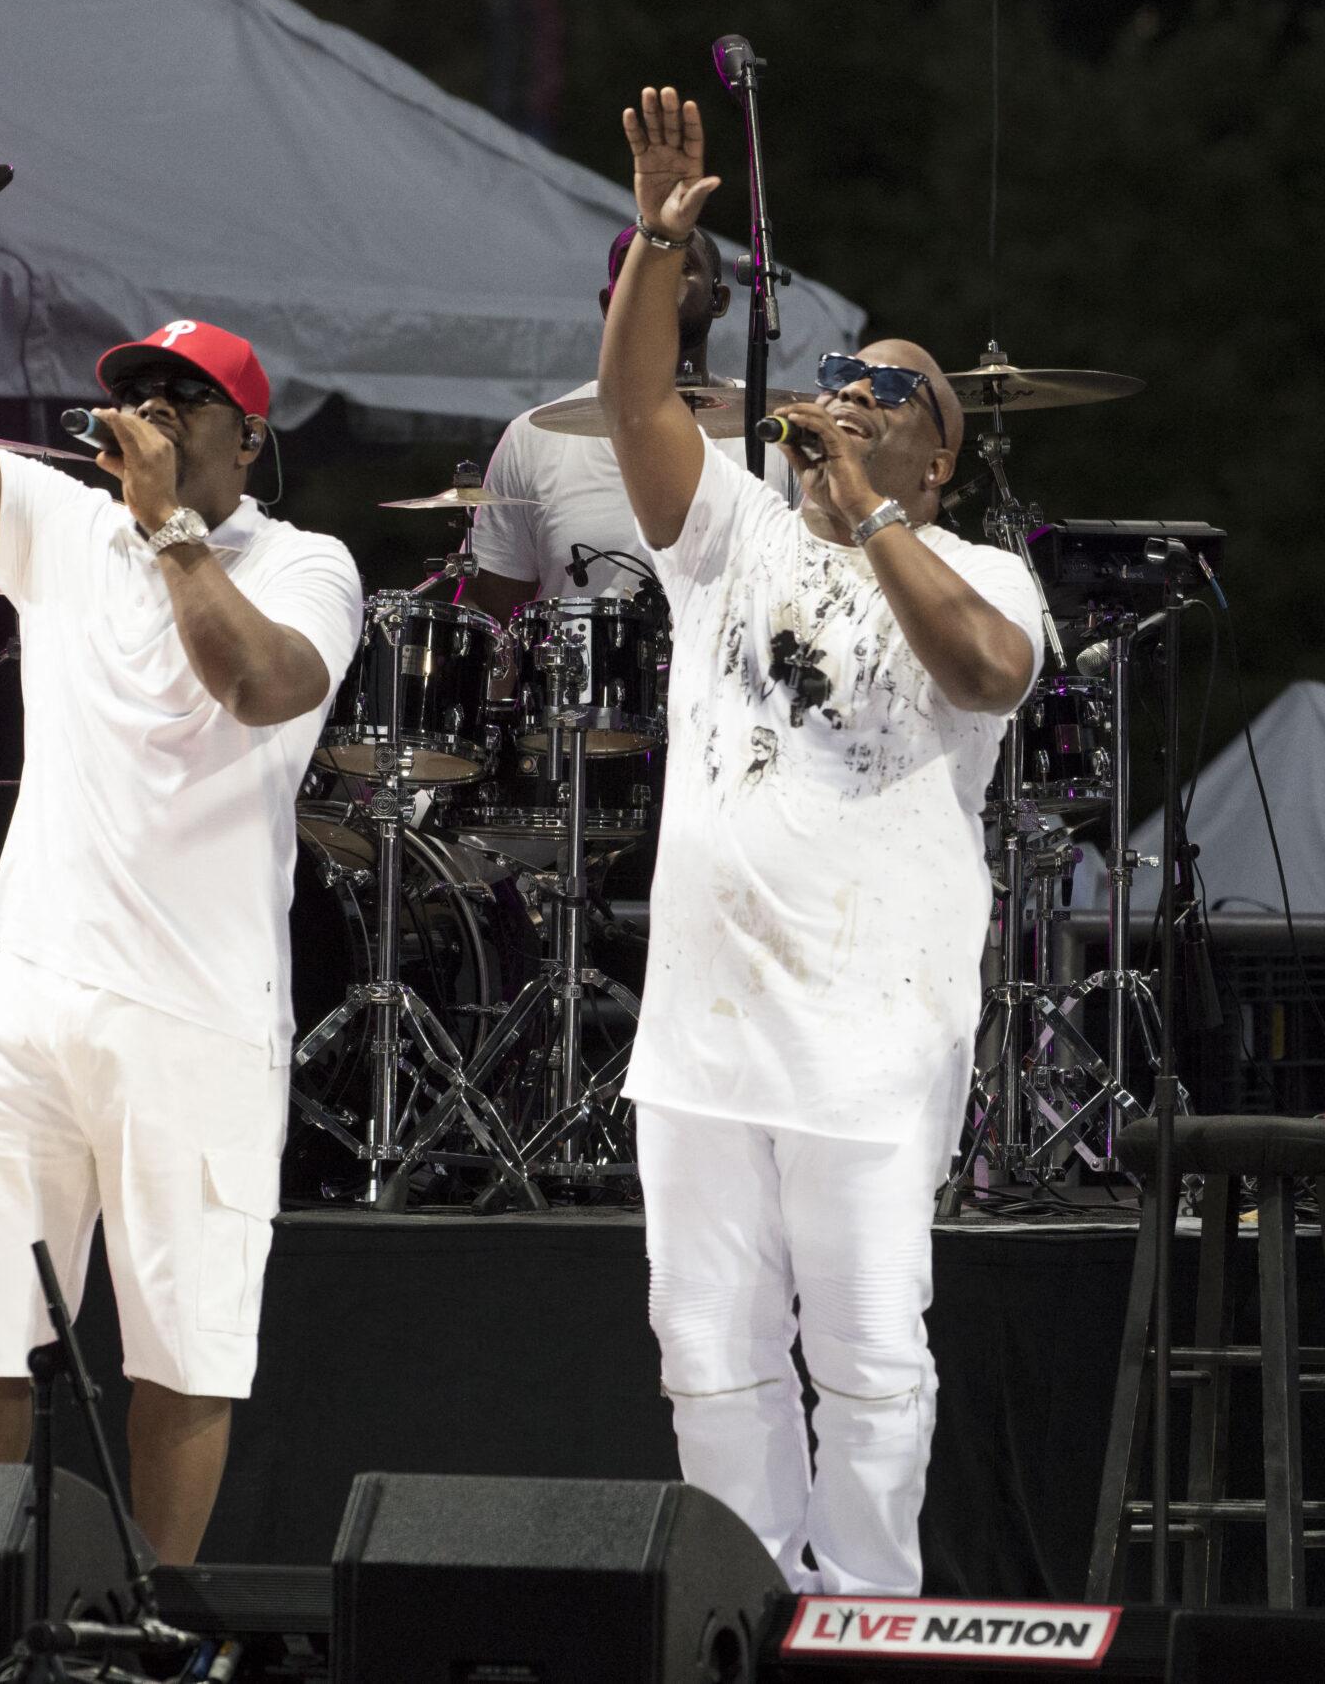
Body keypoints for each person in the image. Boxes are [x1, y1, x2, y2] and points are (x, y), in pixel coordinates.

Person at [0, 115, 364, 1564]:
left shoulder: (304, 564)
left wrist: (175, 535)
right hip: (39, 982)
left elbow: (257, 684)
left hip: (196, 1005)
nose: (149, 409)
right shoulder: (65, 530)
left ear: (244, 439)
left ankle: (159, 1622)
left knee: (181, 1347)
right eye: (136, 387)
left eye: (184, 397)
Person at [598, 85, 1044, 1595]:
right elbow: (639, 410)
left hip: (869, 1026)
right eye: (841, 370)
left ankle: (867, 1610)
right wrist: (662, 247)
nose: (849, 388)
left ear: (938, 459)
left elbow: (987, 670)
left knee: (864, 1348)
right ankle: (742, 1602)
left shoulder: (974, 564)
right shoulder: (733, 535)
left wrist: (870, 523)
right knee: (705, 1345)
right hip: (706, 1032)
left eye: (893, 392)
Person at [459, 224, 794, 620]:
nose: (658, 275)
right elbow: (487, 611)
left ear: (718, 300)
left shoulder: (779, 432)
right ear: (608, 304)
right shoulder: (534, 438)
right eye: (638, 266)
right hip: (584, 682)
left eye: (681, 264)